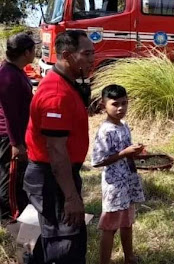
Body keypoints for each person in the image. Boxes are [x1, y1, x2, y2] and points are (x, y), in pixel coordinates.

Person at [23, 30, 94, 263]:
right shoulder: (56, 93)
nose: (91, 59)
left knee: (48, 240)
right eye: (86, 53)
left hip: (57, 175)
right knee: (65, 245)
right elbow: (56, 150)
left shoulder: (66, 83)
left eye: (92, 53)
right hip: (52, 178)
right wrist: (71, 197)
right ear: (66, 55)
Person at [92, 85, 145, 264]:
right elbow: (98, 160)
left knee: (127, 222)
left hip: (127, 181)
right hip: (114, 184)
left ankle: (129, 257)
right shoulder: (105, 131)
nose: (120, 108)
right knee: (110, 226)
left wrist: (135, 152)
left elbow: (126, 152)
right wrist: (124, 153)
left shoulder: (124, 126)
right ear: (103, 105)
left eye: (124, 103)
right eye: (115, 104)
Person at [0, 33, 35, 222]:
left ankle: (17, 210)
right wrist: (16, 143)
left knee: (17, 177)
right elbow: (10, 114)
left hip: (18, 135)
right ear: (27, 52)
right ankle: (9, 216)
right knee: (10, 178)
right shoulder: (8, 76)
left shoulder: (16, 70)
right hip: (9, 137)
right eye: (33, 49)